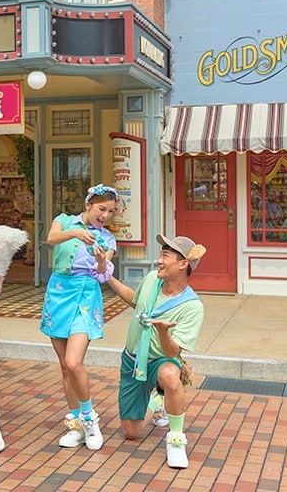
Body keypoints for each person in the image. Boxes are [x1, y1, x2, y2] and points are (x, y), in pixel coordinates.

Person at [106, 234, 206, 469]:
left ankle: (176, 440)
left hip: (162, 360)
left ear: (183, 264)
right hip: (133, 360)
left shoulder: (192, 307)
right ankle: (157, 401)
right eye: (161, 254)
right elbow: (135, 300)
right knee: (131, 432)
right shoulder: (151, 279)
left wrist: (163, 333)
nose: (159, 261)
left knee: (171, 375)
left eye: (165, 255)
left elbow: (173, 351)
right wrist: (106, 276)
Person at [40, 184, 118, 451]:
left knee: (74, 363)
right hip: (59, 293)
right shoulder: (63, 222)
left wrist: (99, 260)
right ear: (88, 205)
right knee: (64, 367)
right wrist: (75, 232)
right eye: (101, 209)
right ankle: (75, 425)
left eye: (110, 211)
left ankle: (89, 419)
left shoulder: (107, 239)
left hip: (86, 296)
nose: (105, 215)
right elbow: (51, 239)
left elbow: (102, 273)